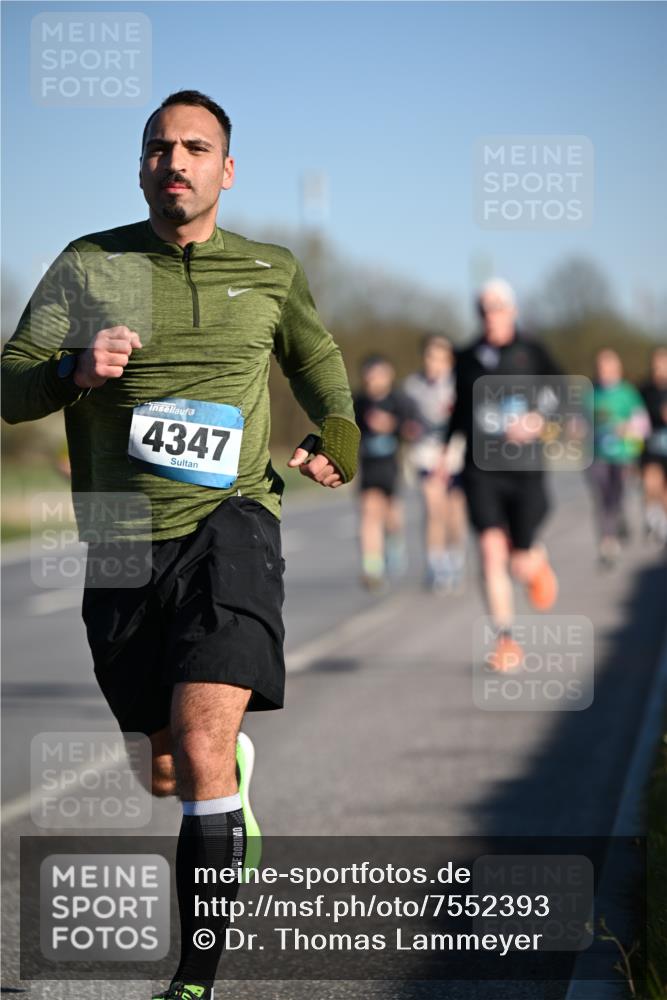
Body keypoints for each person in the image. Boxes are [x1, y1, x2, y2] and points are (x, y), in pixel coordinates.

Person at [1, 90, 360, 1000]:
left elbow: (313, 355)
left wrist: (339, 429)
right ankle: (221, 779)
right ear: (141, 166)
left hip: (232, 522)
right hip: (122, 541)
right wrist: (72, 370)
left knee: (200, 746)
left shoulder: (271, 269)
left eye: (196, 148)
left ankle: (192, 980)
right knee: (165, 767)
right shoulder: (89, 264)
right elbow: (8, 384)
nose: (177, 162)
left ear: (225, 170)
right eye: (160, 148)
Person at [446, 278, 560, 672]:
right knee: (491, 551)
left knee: (519, 561)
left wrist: (539, 419)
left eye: (496, 307)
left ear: (511, 310)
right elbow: (460, 411)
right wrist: (446, 453)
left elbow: (564, 395)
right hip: (481, 471)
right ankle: (506, 641)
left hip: (525, 470)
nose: (489, 315)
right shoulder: (465, 357)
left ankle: (534, 561)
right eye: (483, 308)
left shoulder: (533, 351)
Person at [403, 334, 468, 593]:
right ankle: (435, 563)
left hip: (456, 455)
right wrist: (406, 428)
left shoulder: (460, 385)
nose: (434, 363)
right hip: (426, 454)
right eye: (430, 356)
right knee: (433, 509)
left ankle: (455, 558)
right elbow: (403, 419)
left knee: (454, 513)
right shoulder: (412, 386)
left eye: (441, 357)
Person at [353, 355, 414, 589]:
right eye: (370, 375)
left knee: (391, 517)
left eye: (379, 374)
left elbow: (412, 429)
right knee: (369, 512)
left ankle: (395, 542)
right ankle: (372, 568)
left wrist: (392, 426)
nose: (374, 380)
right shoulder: (359, 402)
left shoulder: (398, 400)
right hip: (368, 466)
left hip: (392, 465)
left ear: (388, 376)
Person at [586, 349, 650, 567]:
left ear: (618, 369)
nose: (604, 372)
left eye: (609, 368)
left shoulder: (627, 393)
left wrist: (628, 428)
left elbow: (643, 425)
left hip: (623, 454)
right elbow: (577, 420)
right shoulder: (590, 393)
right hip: (597, 455)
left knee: (618, 495)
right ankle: (608, 542)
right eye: (601, 368)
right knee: (602, 497)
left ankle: (621, 518)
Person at [639, 346, 667, 545]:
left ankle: (662, 526)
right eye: (657, 363)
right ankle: (651, 515)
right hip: (651, 446)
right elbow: (635, 416)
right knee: (651, 483)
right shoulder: (645, 389)